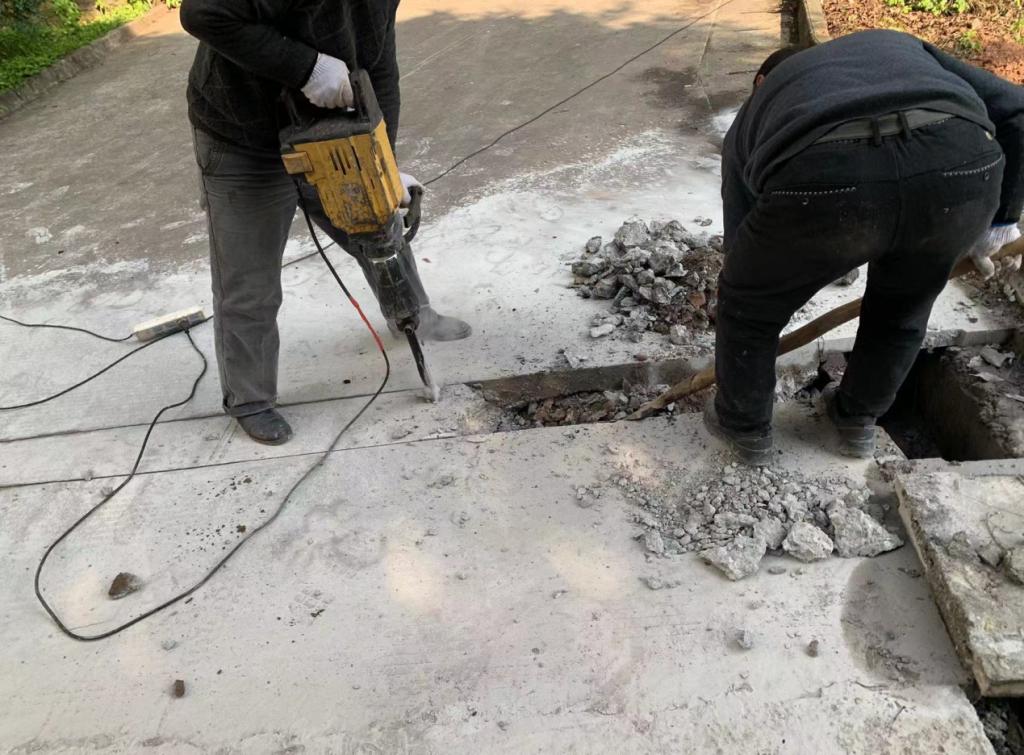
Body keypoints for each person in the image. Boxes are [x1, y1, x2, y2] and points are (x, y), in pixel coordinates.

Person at [705, 30, 1023, 465]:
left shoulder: (759, 106)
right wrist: (1003, 219)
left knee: (748, 307)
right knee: (902, 308)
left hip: (828, 177)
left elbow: (743, 242)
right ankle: (856, 420)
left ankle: (744, 427)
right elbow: (1017, 109)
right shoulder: (895, 43)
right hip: (960, 168)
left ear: (761, 81)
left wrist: (772, 278)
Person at [179, 0, 471, 445]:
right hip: (242, 135)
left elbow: (379, 66)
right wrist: (308, 69)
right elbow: (201, 12)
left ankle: (413, 315)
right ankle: (250, 399)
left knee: (378, 226)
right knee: (250, 281)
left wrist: (384, 161)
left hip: (328, 128)